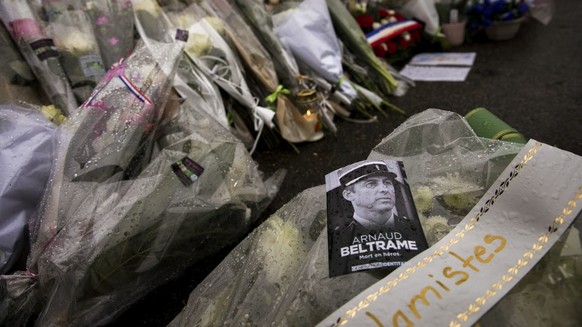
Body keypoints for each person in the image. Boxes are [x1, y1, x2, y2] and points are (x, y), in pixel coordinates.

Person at [339, 160, 408, 230]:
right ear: (348, 195)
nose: (384, 189)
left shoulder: (414, 227)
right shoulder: (340, 237)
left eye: (387, 182)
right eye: (370, 184)